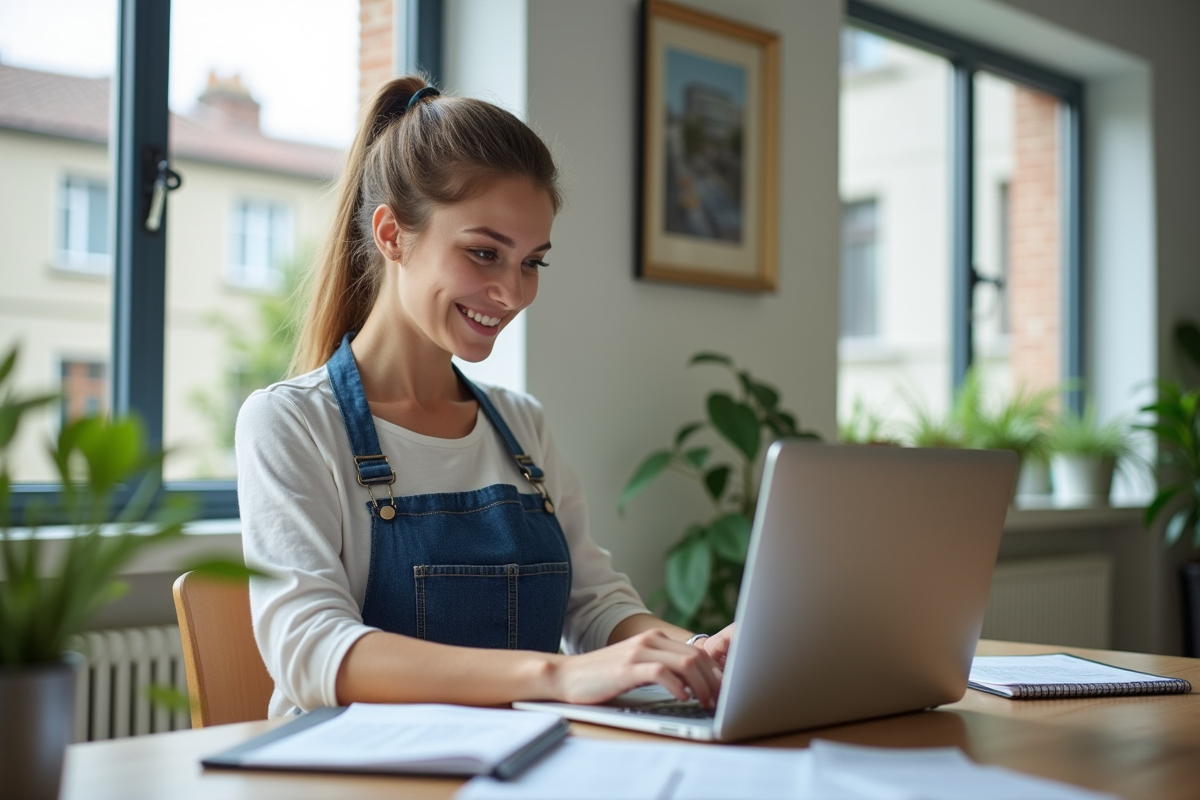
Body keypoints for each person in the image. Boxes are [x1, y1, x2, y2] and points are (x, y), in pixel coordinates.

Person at [236, 77, 731, 718]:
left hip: (514, 769)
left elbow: (596, 606)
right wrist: (556, 676)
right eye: (483, 253)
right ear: (392, 235)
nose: (513, 291)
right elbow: (312, 653)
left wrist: (700, 653)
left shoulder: (521, 425)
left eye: (532, 262)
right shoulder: (292, 424)